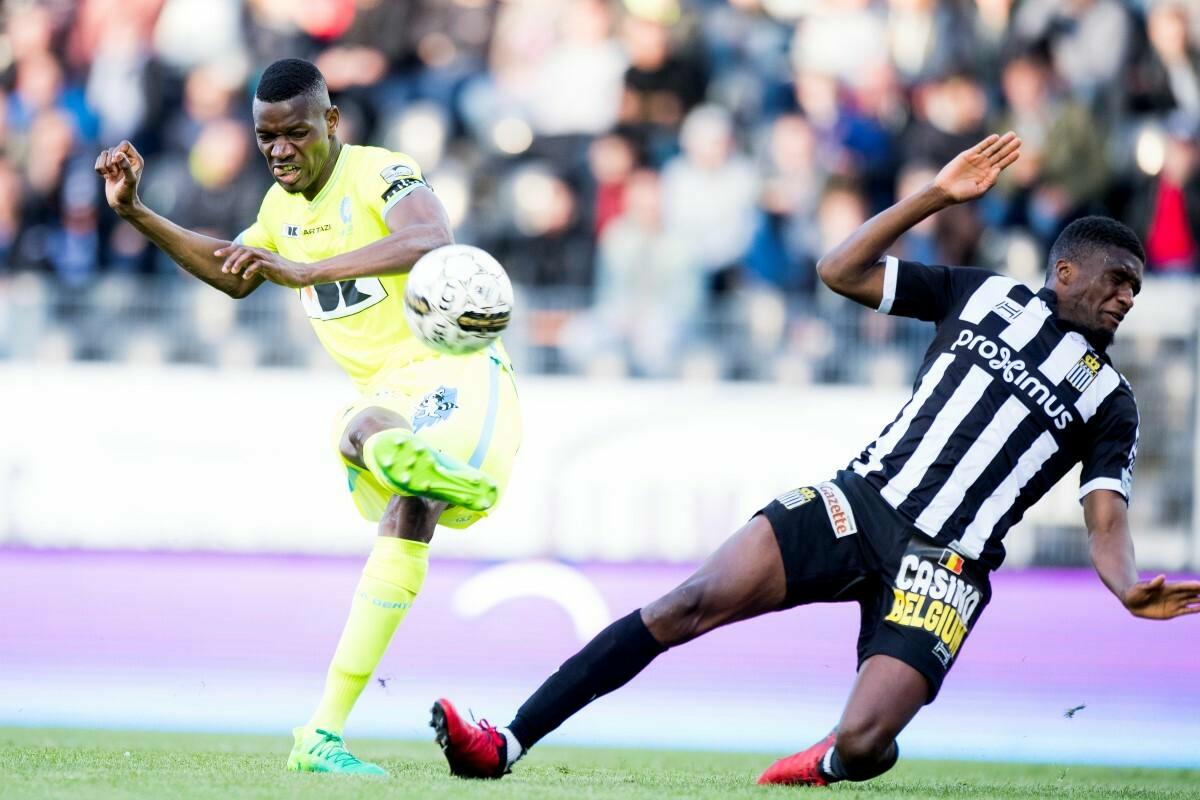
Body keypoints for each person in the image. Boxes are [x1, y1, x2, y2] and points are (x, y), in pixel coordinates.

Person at [430, 131, 1200, 786]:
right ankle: (506, 743)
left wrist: (1126, 585)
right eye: (1118, 281)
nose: (1127, 298)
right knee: (685, 603)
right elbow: (840, 271)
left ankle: (833, 758)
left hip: (946, 565)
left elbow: (1106, 519)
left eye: (1135, 289)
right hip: (858, 502)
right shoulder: (982, 295)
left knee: (863, 744)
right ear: (1066, 272)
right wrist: (935, 196)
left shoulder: (1112, 401)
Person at [94, 58, 522, 775]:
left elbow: (432, 239)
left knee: (373, 443)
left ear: (331, 121)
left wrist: (309, 270)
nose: (280, 150)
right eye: (267, 137)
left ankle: (423, 467)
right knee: (373, 459)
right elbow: (234, 271)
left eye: (295, 133)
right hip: (386, 393)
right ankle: (320, 735)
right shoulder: (277, 211)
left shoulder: (380, 172)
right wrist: (136, 212)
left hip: (456, 372)